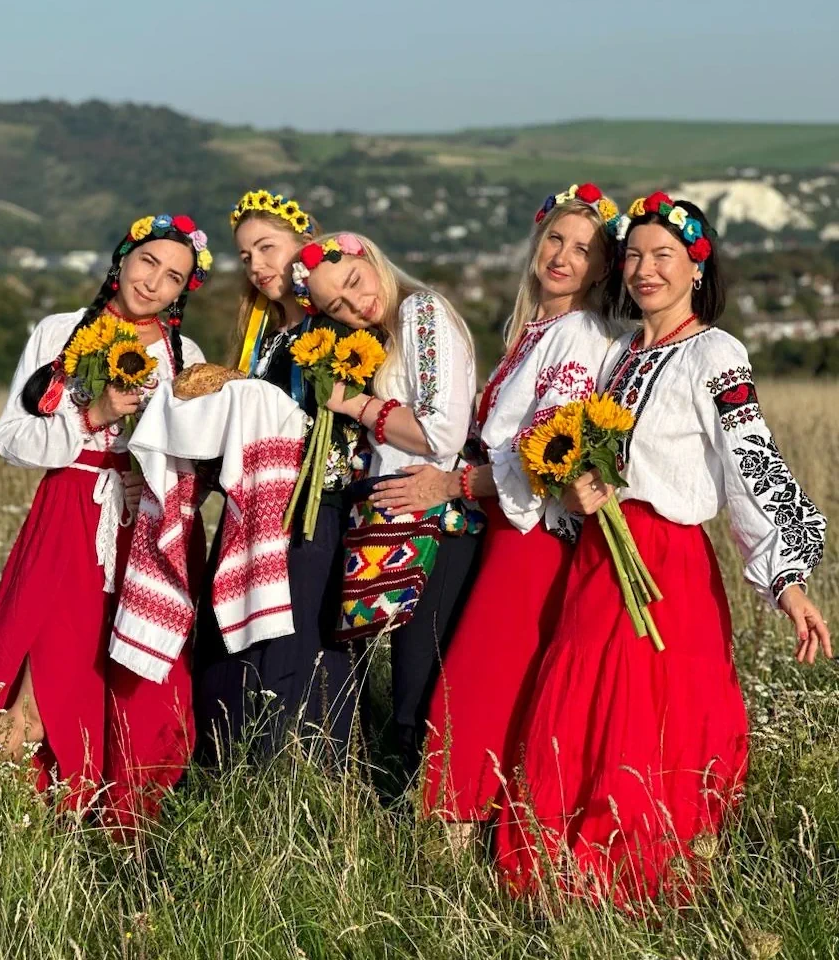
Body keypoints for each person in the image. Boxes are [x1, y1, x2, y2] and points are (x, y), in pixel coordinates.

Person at [496, 191, 830, 906]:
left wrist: (788, 578)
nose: (647, 270)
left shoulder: (716, 353)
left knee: (649, 716)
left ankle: (636, 872)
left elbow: (751, 462)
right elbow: (571, 446)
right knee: (582, 702)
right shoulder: (619, 353)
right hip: (598, 557)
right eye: (637, 257)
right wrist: (575, 486)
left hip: (664, 561)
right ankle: (566, 873)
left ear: (697, 270)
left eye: (665, 257)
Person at [381, 185, 621, 839]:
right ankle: (477, 842)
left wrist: (454, 484)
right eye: (555, 239)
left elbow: (545, 456)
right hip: (503, 535)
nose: (563, 257)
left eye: (584, 249)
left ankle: (451, 846)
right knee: (491, 685)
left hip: (532, 539)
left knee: (477, 686)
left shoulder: (578, 332)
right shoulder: (533, 330)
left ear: (604, 267)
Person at [0, 213, 211, 825]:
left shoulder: (188, 355)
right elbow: (13, 438)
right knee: (46, 666)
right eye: (148, 262)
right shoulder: (60, 333)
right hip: (71, 513)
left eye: (173, 277)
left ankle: (122, 818)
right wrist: (92, 416)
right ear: (123, 258)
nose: (154, 283)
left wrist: (160, 473)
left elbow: (202, 463)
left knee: (134, 670)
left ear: (184, 291)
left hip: (151, 531)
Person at [290, 231, 479, 778]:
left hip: (436, 525)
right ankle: (404, 814)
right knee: (406, 681)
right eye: (337, 307)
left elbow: (440, 432)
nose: (355, 305)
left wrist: (353, 402)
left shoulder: (420, 310)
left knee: (419, 684)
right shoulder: (383, 335)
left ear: (370, 256)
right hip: (402, 524)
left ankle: (419, 819)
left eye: (353, 282)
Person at [193, 191, 363, 762]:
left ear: (304, 248)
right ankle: (230, 770)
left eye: (267, 248)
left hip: (309, 510)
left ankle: (295, 777)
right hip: (254, 510)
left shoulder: (333, 330)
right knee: (235, 640)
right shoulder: (264, 336)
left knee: (290, 646)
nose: (258, 265)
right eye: (245, 257)